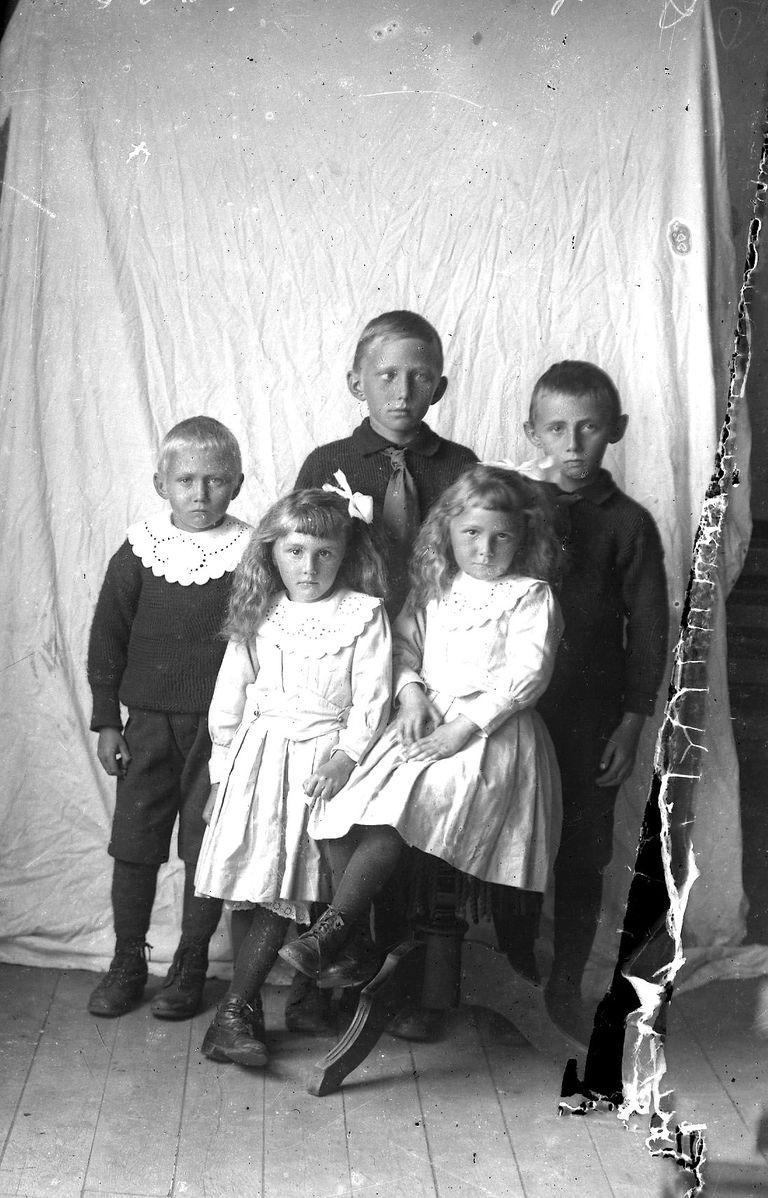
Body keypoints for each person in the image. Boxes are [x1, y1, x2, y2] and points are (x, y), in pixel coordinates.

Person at [279, 465, 564, 995]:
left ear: (523, 537)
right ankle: (358, 940)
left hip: (490, 734)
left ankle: (333, 932)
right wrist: (410, 693)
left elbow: (527, 674)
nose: (484, 549)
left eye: (501, 537)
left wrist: (463, 728)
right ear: (447, 531)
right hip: (425, 715)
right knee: (341, 805)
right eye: (471, 533)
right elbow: (403, 649)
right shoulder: (436, 587)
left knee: (396, 812)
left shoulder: (530, 595)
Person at [293, 309, 477, 1038]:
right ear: (356, 382)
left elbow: (472, 572)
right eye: (387, 375)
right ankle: (324, 974)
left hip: (428, 663)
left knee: (407, 812)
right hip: (347, 662)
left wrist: (426, 677)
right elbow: (302, 562)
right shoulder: (328, 462)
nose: (402, 391)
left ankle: (402, 984)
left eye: (418, 376)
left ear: (440, 386)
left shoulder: (459, 466)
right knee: (329, 809)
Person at [194, 487, 392, 1067]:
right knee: (255, 878)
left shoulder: (363, 613)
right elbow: (230, 698)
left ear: (345, 553)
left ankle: (279, 1004)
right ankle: (239, 1011)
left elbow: (373, 697)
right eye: (295, 551)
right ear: (272, 553)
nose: (309, 567)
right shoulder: (262, 613)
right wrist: (220, 776)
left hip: (324, 762)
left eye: (324, 553)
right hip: (259, 760)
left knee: (303, 882)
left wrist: (346, 756)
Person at [500, 360, 669, 1038]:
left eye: (589, 428)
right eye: (556, 429)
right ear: (531, 432)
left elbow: (649, 628)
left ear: (615, 430)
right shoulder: (512, 509)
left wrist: (632, 721)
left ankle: (565, 981)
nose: (572, 446)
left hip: (590, 713)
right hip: (513, 708)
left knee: (582, 849)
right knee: (508, 834)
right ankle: (513, 965)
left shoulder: (628, 523)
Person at [86, 416, 249, 1019]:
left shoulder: (252, 552)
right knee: (135, 844)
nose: (200, 494)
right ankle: (128, 959)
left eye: (215, 480)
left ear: (237, 484)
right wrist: (108, 720)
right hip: (148, 728)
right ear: (161, 484)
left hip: (221, 731)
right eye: (186, 481)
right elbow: (108, 637)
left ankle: (191, 965)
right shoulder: (139, 551)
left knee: (206, 846)